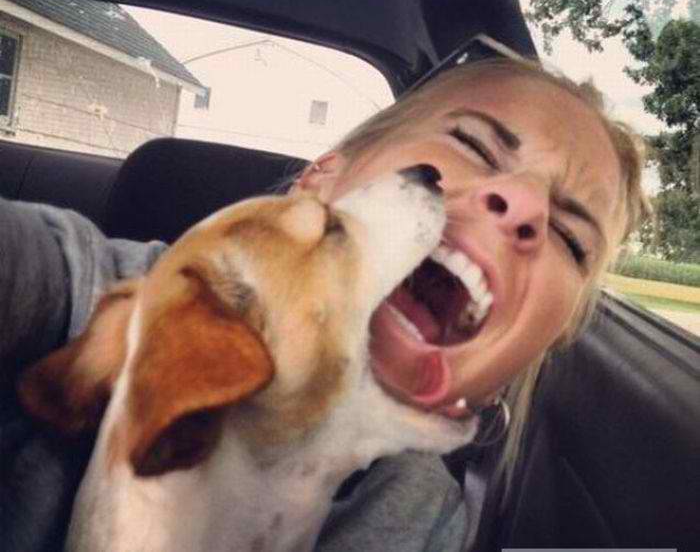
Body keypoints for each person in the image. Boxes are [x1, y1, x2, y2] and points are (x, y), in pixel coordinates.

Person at [0, 57, 648, 551]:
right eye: (474, 145)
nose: (527, 205)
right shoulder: (81, 285)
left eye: (571, 238)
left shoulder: (426, 520)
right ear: (320, 180)